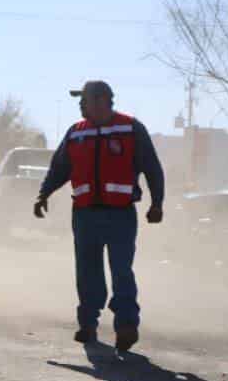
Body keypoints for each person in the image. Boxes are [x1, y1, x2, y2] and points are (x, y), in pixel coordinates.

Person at [33, 80, 165, 353]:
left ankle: (127, 325)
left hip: (121, 216)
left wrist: (157, 203)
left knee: (121, 271)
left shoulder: (130, 128)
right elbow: (59, 168)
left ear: (102, 100)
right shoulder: (76, 132)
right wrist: (43, 195)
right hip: (84, 216)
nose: (80, 105)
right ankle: (88, 324)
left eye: (85, 99)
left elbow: (152, 167)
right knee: (87, 271)